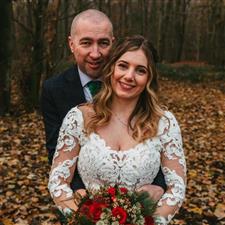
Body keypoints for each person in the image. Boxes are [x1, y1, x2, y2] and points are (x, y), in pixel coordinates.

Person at [48, 35, 186, 224]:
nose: (129, 76)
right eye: (123, 65)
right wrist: (82, 219)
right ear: (111, 67)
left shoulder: (164, 123)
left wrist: (148, 222)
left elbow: (176, 187)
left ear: (149, 78)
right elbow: (58, 180)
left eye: (140, 70)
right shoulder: (79, 117)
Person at [41, 9, 166, 197]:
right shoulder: (54, 90)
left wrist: (159, 186)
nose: (95, 53)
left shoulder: (132, 83)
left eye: (103, 43)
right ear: (71, 44)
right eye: (86, 43)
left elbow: (158, 143)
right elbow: (56, 151)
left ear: (113, 44)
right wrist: (81, 197)